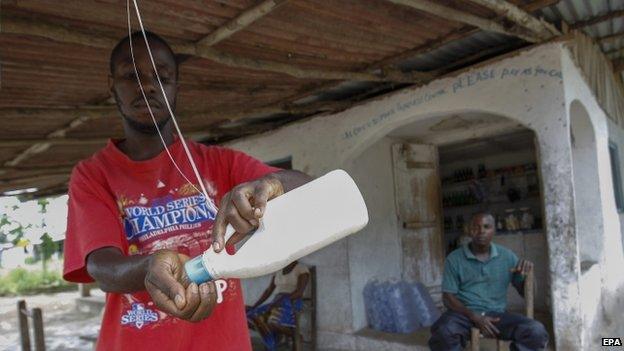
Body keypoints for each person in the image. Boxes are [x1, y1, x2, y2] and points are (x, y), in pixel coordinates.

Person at [62, 31, 311, 351]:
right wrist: (150, 266)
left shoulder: (221, 163)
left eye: (162, 77)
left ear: (175, 87)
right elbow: (103, 267)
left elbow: (311, 189)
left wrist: (272, 186)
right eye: (130, 74)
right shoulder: (93, 174)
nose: (147, 85)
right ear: (111, 85)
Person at [429, 212, 548, 351]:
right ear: (469, 230)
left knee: (536, 331)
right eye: (476, 227)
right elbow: (448, 297)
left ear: (494, 230)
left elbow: (528, 294)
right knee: (443, 331)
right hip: (463, 316)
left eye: (487, 227)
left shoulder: (507, 256)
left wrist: (528, 276)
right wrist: (474, 316)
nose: (481, 231)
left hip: (496, 317)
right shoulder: (454, 258)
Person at [246, 260, 310, 350]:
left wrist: (280, 301)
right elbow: (268, 290)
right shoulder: (278, 269)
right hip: (277, 301)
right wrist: (255, 306)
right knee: (250, 316)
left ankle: (295, 335)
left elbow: (299, 292)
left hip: (292, 301)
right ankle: (272, 342)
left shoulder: (301, 269)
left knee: (271, 322)